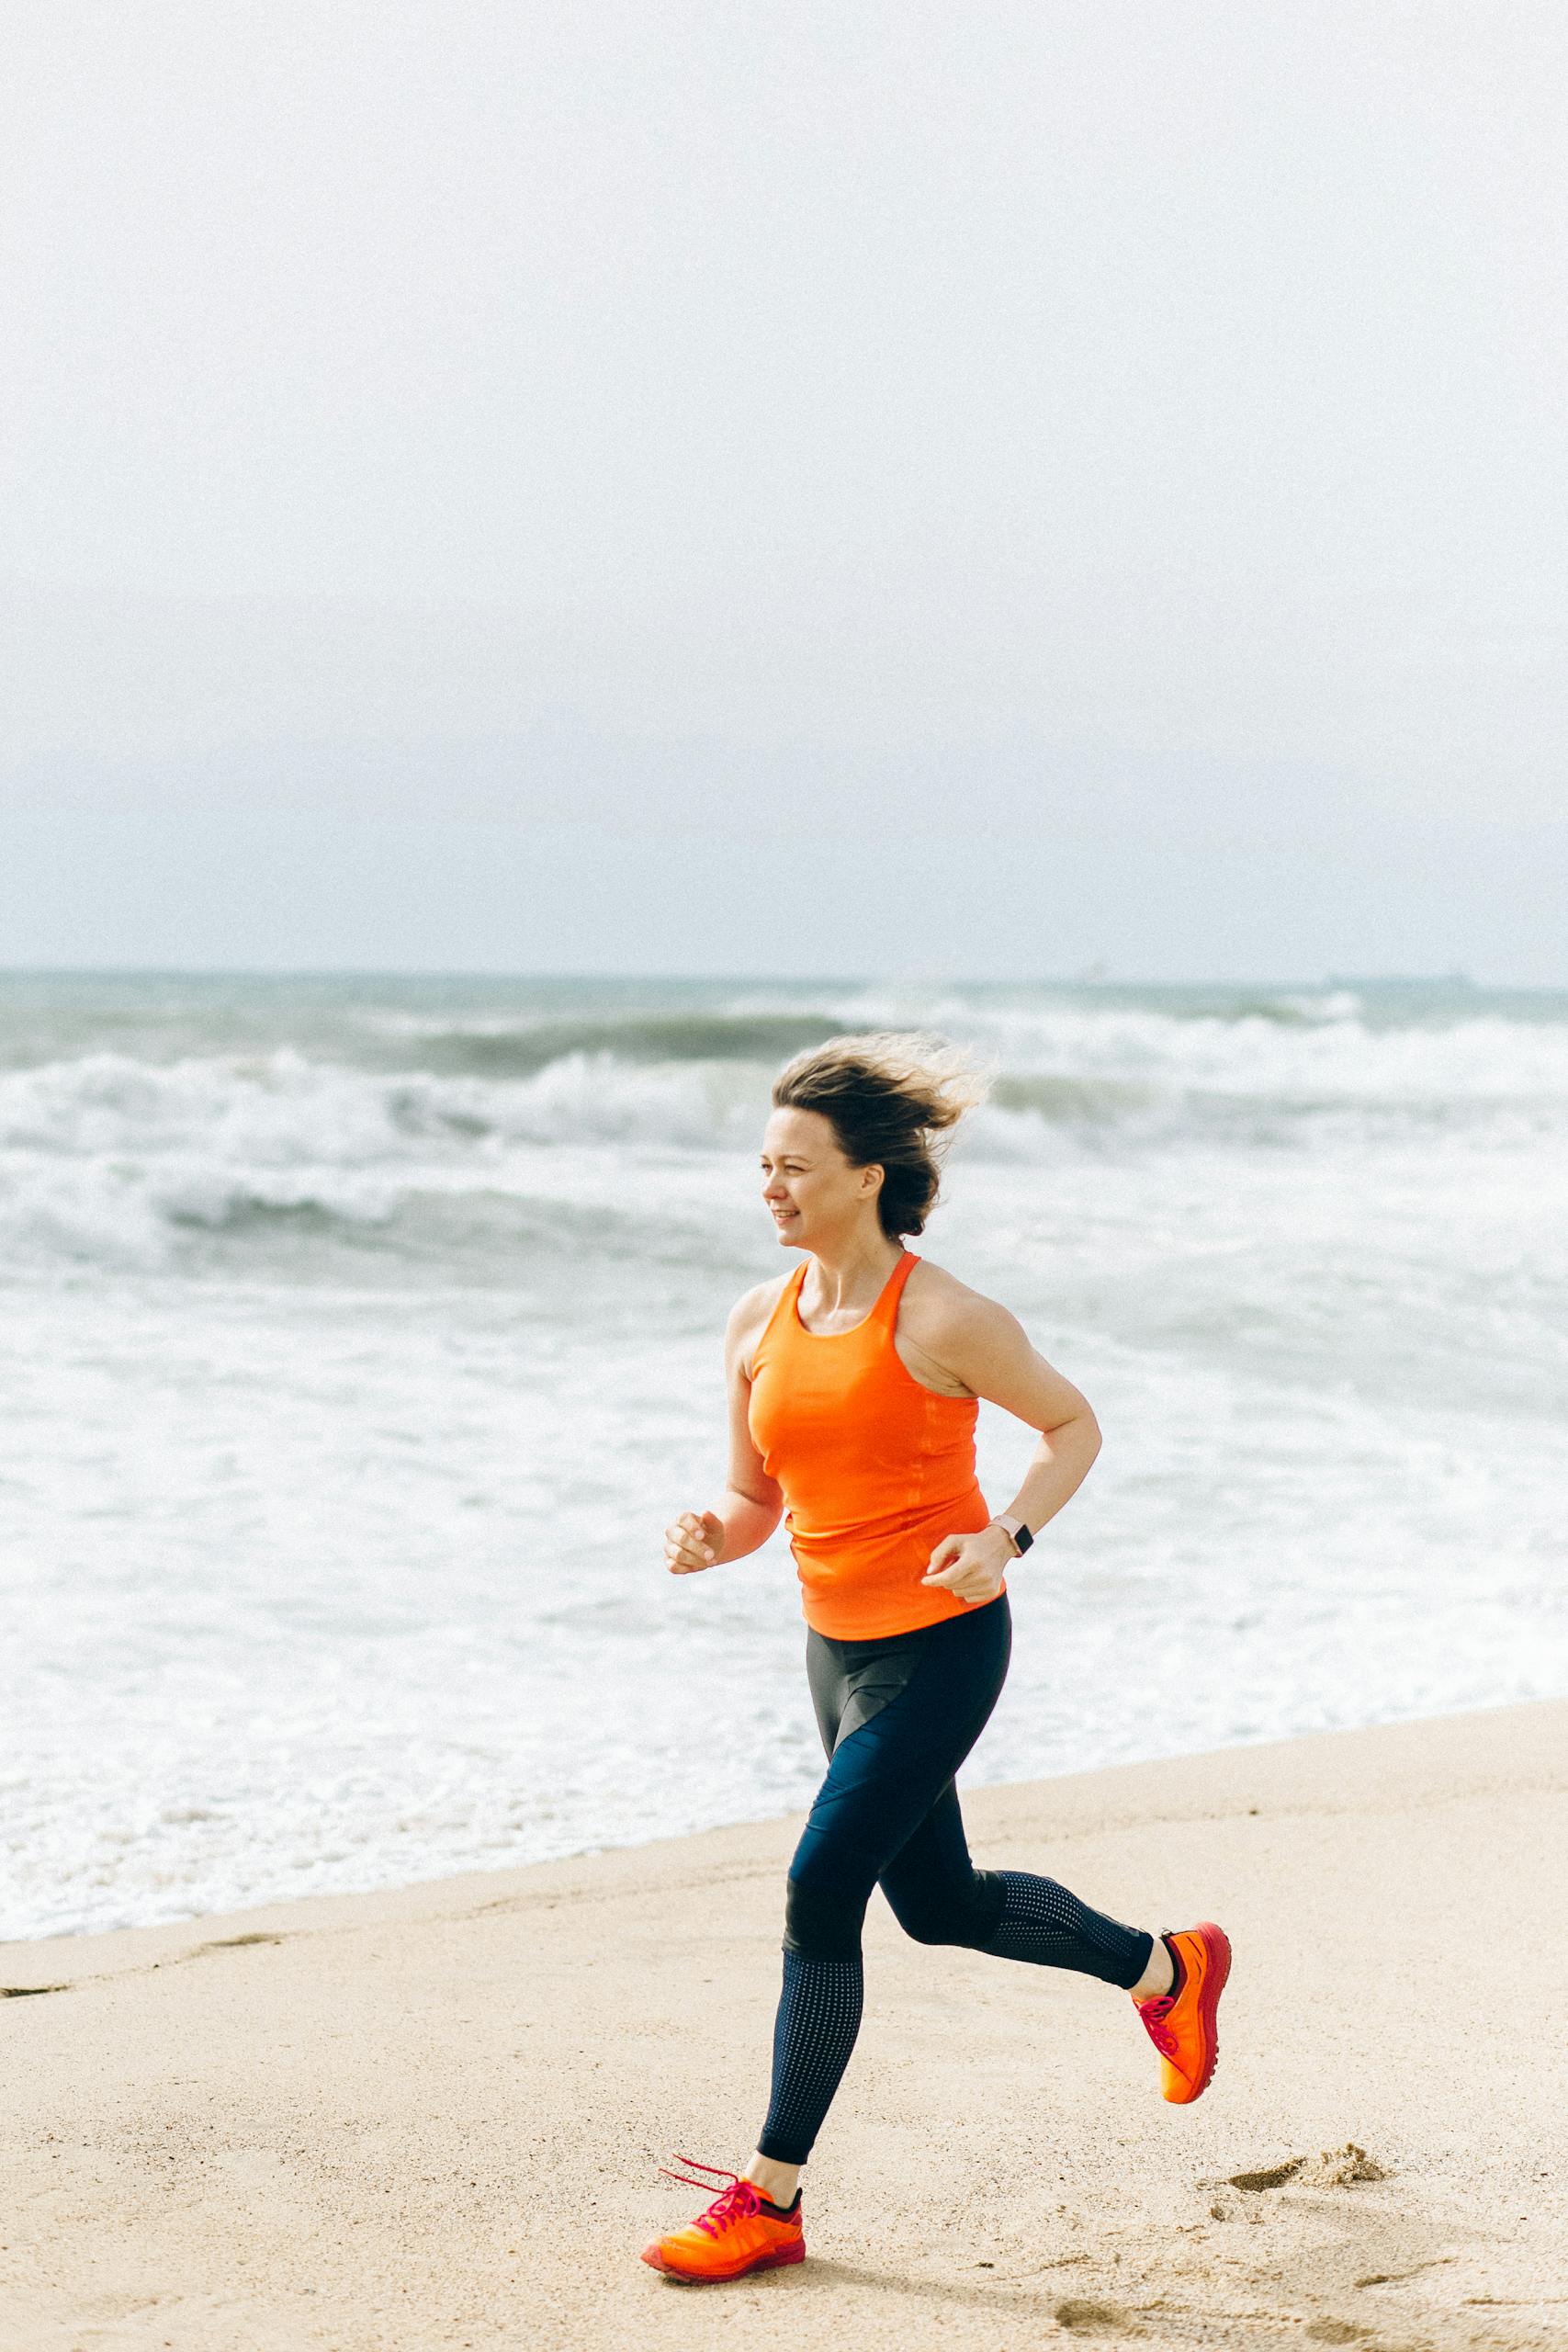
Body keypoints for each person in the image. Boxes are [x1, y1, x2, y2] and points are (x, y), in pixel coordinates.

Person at [643, 1033, 1230, 2285]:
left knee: (819, 1886)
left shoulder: (948, 1316)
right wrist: (715, 1539)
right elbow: (757, 1500)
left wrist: (1007, 1534)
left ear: (866, 1177)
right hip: (834, 1649)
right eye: (763, 1165)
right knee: (940, 1906)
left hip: (943, 1649)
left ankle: (771, 2199)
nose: (771, 1187)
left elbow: (1073, 1426)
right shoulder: (759, 1320)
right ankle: (1168, 1967)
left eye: (796, 1166)